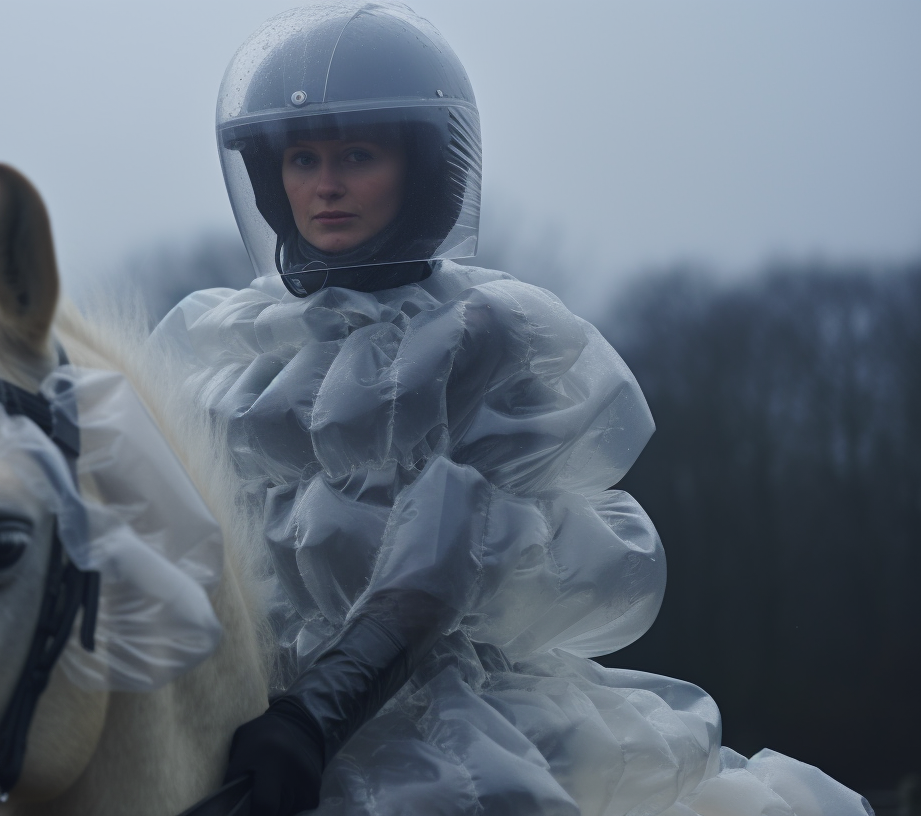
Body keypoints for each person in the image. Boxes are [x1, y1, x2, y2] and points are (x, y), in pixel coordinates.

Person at [152, 4, 872, 815]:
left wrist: (315, 715)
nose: (325, 185)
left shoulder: (481, 334)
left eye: (357, 154)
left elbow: (440, 559)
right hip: (249, 718)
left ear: (426, 167)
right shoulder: (228, 349)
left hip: (427, 716)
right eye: (302, 157)